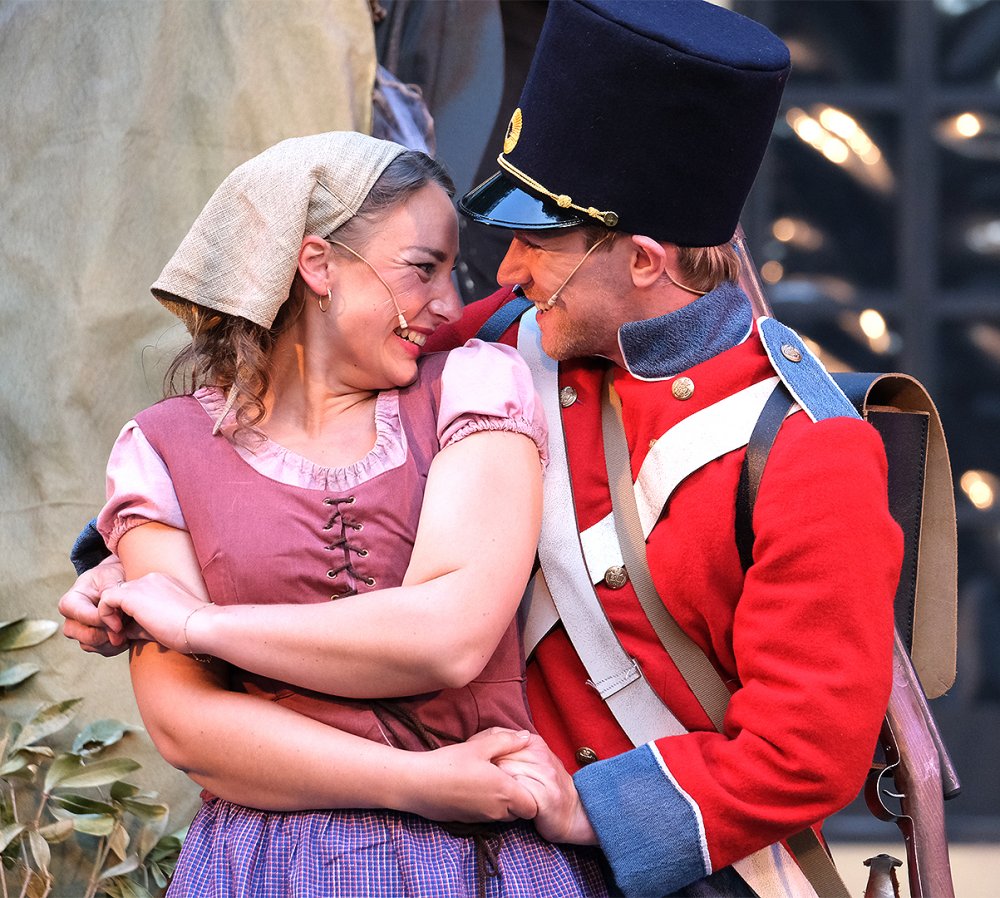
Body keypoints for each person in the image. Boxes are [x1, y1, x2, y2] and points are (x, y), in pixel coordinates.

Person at [62, 3, 904, 896]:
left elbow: (804, 751)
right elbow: (304, 413)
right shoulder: (505, 335)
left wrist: (591, 808)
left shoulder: (805, 451)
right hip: (460, 841)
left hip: (640, 867)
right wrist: (129, 554)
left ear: (644, 260)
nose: (503, 272)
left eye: (538, 242)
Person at [86, 129, 608, 897]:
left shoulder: (473, 388)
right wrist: (421, 782)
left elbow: (449, 637)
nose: (450, 304)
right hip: (267, 869)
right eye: (423, 268)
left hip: (478, 860)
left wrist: (198, 625)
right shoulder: (163, 450)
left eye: (451, 273)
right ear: (318, 264)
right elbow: (188, 726)